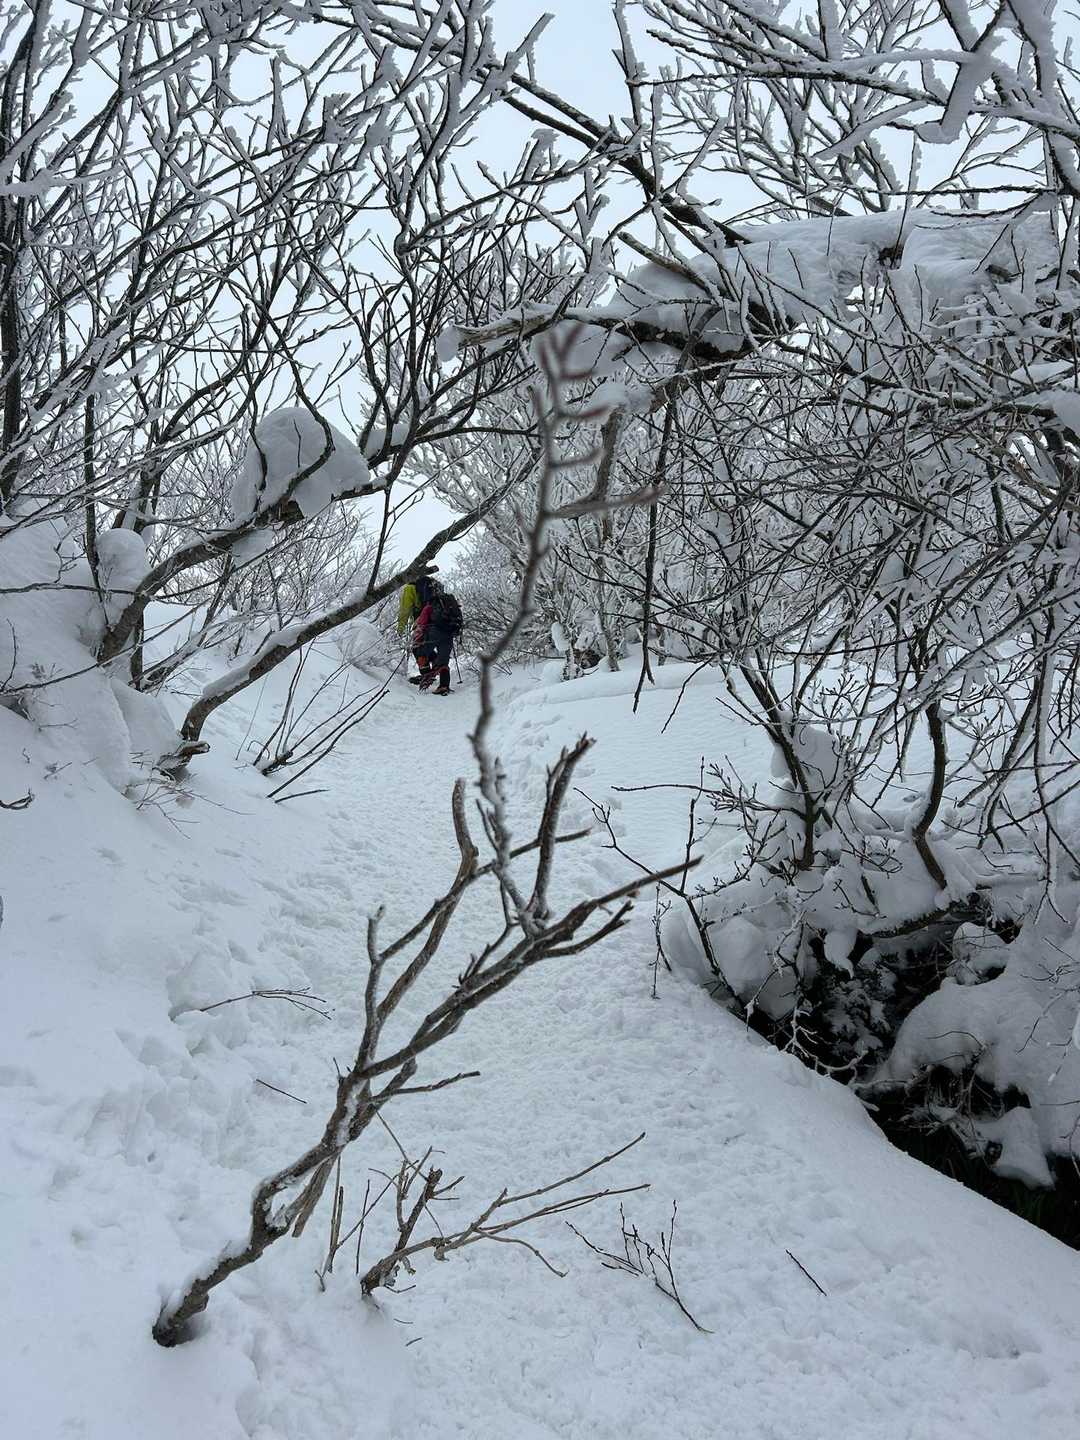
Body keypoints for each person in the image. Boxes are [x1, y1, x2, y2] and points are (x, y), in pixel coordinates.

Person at [409, 579, 455, 695]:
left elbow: (422, 623)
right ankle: (444, 686)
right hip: (449, 634)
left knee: (419, 651)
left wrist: (417, 634)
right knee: (444, 661)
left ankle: (426, 676)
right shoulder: (450, 603)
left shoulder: (431, 605)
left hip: (434, 633)